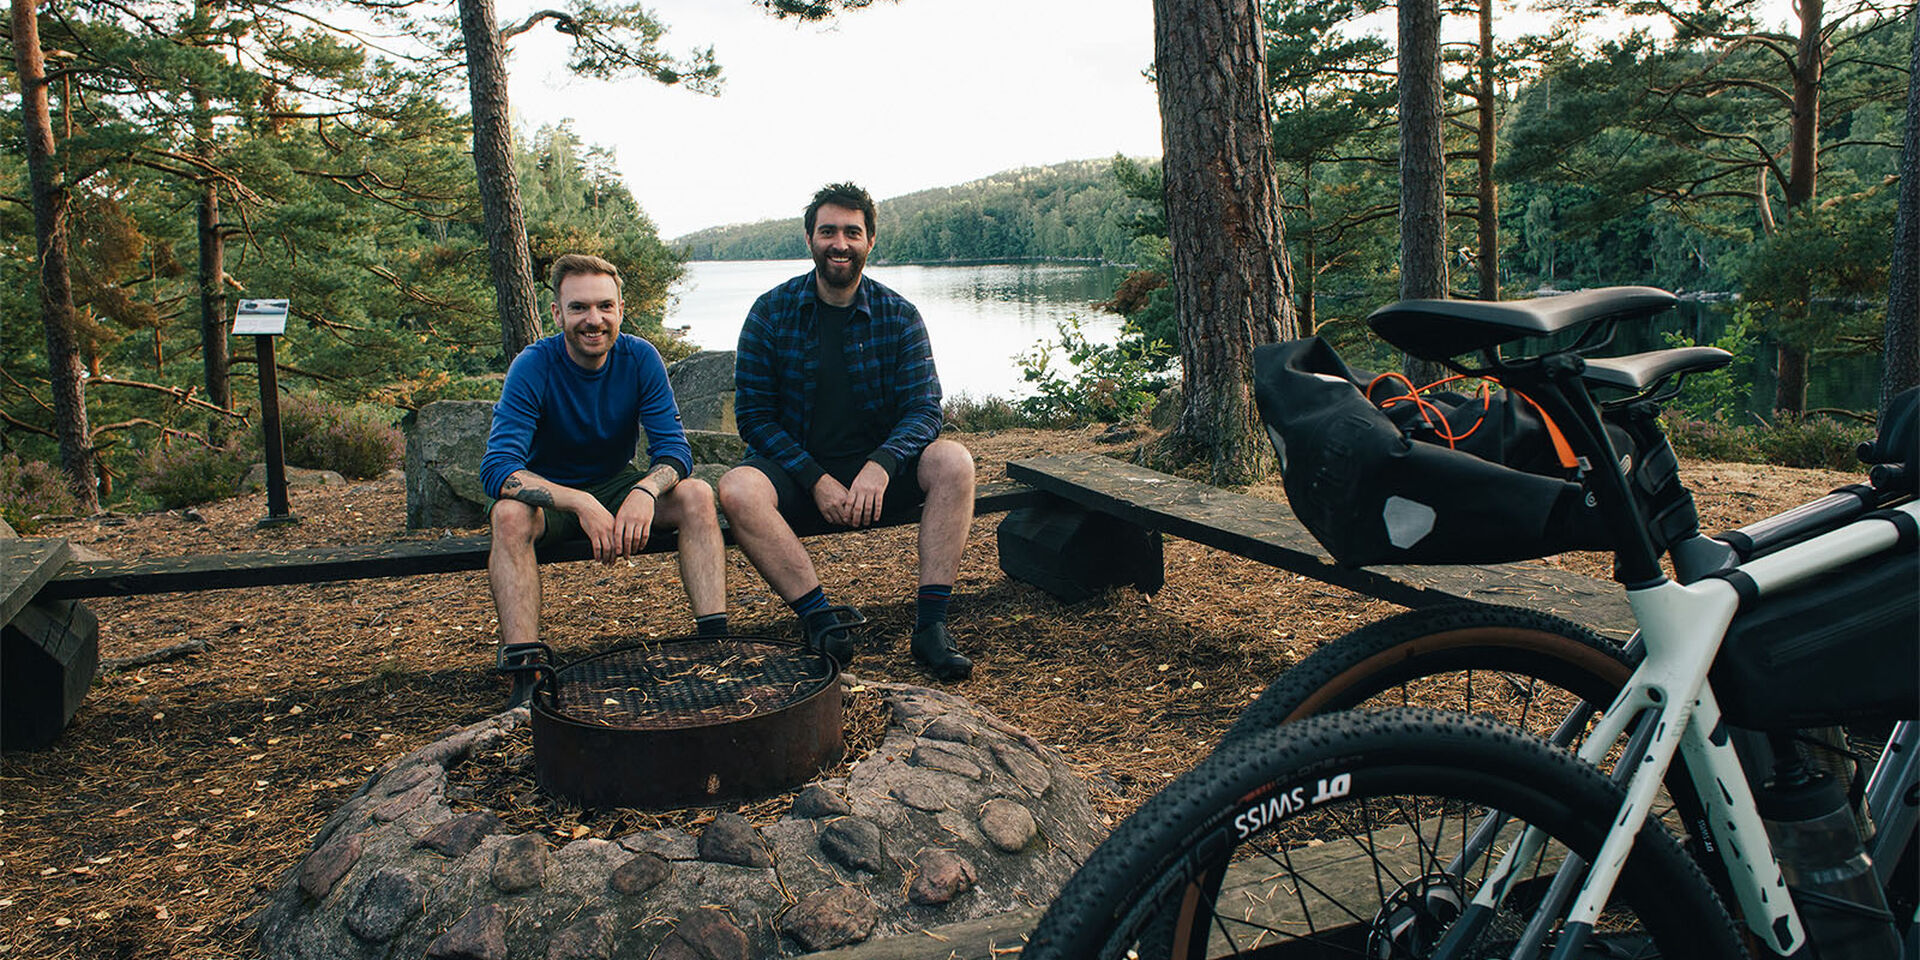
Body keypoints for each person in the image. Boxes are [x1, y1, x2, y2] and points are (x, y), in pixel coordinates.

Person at [717, 183, 976, 681]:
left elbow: (924, 409)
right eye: (828, 231)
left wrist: (880, 466)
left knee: (953, 461)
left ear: (870, 241)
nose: (840, 243)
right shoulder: (770, 313)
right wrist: (815, 478)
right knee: (736, 488)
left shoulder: (899, 316)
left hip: (877, 474)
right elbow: (753, 415)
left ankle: (931, 627)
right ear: (810, 238)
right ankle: (822, 621)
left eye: (852, 232)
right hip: (797, 472)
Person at [480, 254, 727, 706]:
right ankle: (525, 674)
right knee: (509, 515)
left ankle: (715, 646)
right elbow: (498, 468)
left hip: (616, 484)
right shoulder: (534, 365)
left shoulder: (640, 358)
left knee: (695, 494)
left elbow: (674, 451)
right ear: (557, 313)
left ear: (619, 308)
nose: (593, 320)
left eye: (604, 307)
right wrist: (578, 502)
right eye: (579, 308)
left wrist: (644, 490)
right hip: (550, 498)